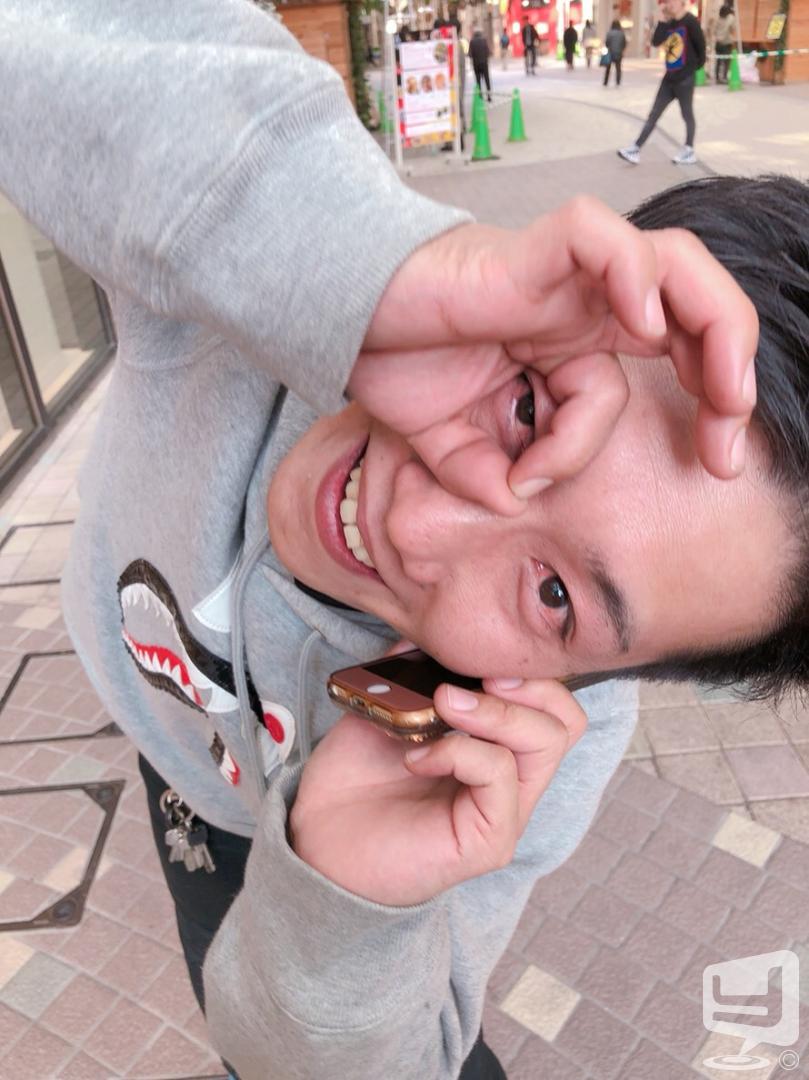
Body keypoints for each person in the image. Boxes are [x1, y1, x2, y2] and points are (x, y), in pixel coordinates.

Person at [4, 3, 803, 1080]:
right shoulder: (258, 288)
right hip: (183, 768)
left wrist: (349, 910)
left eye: (555, 597)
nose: (416, 526)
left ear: (620, 674)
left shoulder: (527, 749)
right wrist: (372, 271)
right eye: (529, 410)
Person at [618, 0, 706, 165]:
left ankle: (689, 150)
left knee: (687, 114)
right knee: (654, 114)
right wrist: (662, 21)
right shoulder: (669, 23)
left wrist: (691, 70)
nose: (669, 4)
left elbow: (701, 48)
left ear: (682, 3)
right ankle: (635, 148)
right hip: (669, 79)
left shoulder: (690, 21)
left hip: (685, 79)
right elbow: (656, 41)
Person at [714, 3, 736, 82]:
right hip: (727, 42)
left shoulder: (717, 19)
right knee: (726, 61)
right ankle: (724, 77)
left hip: (718, 43)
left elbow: (714, 31)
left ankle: (717, 77)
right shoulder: (731, 18)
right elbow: (733, 29)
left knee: (718, 61)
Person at [469, 27, 492, 102]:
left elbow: (470, 54)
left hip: (476, 64)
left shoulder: (472, 41)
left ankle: (480, 96)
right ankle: (489, 96)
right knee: (487, 79)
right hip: (484, 63)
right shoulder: (484, 40)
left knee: (478, 81)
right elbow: (488, 52)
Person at [604, 19, 627, 85]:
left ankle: (606, 82)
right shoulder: (621, 33)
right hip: (619, 52)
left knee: (608, 68)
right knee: (618, 68)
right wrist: (621, 49)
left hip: (611, 52)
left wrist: (609, 47)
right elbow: (624, 43)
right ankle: (618, 81)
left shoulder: (609, 33)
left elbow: (607, 43)